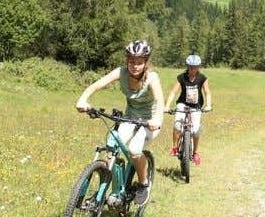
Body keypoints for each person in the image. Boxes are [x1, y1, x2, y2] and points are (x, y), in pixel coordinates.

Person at [75, 40, 165, 206]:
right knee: (113, 146)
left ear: (146, 62)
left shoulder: (152, 78)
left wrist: (157, 119)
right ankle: (104, 193)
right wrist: (83, 99)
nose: (135, 66)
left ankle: (143, 183)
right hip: (129, 117)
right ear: (127, 61)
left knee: (134, 150)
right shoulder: (121, 72)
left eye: (139, 62)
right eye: (131, 61)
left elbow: (160, 101)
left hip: (149, 121)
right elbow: (97, 85)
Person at [164, 53, 212, 166]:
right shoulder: (181, 77)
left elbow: (207, 93)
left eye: (195, 67)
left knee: (195, 131)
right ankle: (175, 147)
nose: (193, 69)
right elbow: (173, 92)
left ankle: (195, 153)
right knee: (177, 125)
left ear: (198, 67)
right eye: (190, 67)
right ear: (187, 66)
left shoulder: (202, 78)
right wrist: (167, 105)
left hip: (196, 106)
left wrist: (208, 105)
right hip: (182, 104)